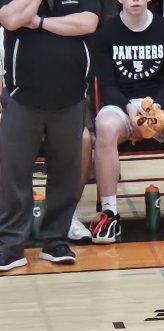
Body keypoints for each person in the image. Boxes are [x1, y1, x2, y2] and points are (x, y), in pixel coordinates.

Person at [91, 0, 164, 243]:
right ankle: (110, 212)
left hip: (159, 104)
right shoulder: (104, 34)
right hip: (121, 105)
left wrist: (152, 110)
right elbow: (107, 86)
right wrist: (131, 109)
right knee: (105, 126)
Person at [0, 0, 99, 270]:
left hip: (71, 98)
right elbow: (10, 19)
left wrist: (41, 23)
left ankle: (55, 241)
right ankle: (10, 247)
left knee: (65, 174)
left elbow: (87, 23)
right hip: (23, 98)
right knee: (13, 174)